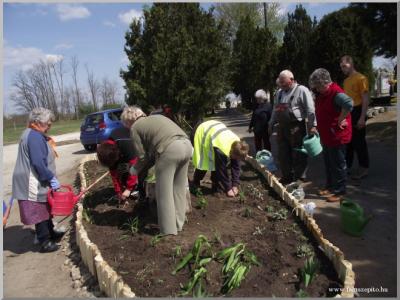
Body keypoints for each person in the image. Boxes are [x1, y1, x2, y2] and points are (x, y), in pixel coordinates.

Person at [121, 106, 193, 236]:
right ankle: (179, 224)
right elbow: (151, 154)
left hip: (169, 150)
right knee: (178, 188)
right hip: (186, 146)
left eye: (125, 124)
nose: (126, 128)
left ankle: (168, 231)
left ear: (128, 121)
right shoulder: (157, 117)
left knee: (164, 193)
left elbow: (143, 157)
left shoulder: (135, 128)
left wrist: (133, 170)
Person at [12, 107, 64, 253]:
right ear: (38, 122)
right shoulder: (34, 136)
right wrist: (50, 177)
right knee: (39, 207)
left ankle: (50, 233)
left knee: (45, 205)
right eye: (47, 123)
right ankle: (44, 241)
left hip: (34, 177)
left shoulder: (33, 133)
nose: (49, 126)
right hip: (31, 179)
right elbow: (37, 163)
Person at [309, 68, 353, 202]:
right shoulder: (322, 94)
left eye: (317, 86)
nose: (316, 88)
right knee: (328, 162)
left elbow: (349, 103)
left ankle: (340, 191)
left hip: (337, 135)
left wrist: (341, 118)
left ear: (324, 83)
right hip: (326, 135)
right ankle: (330, 187)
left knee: (338, 164)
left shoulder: (336, 93)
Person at [268, 70, 317, 185]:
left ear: (291, 79)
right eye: (280, 82)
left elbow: (310, 110)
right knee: (283, 153)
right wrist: (270, 124)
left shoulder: (302, 90)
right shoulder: (279, 92)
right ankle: (287, 176)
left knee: (298, 152)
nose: (282, 85)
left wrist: (313, 125)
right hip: (282, 127)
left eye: (284, 82)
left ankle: (300, 177)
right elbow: (275, 110)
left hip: (296, 127)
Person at [192, 120, 249, 197]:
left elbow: (236, 166)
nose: (236, 159)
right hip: (202, 132)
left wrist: (235, 185)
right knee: (204, 161)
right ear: (232, 153)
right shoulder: (221, 150)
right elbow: (221, 169)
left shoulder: (238, 145)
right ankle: (196, 182)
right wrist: (228, 188)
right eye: (236, 157)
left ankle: (215, 185)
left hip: (213, 129)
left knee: (216, 162)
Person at [340, 55, 370, 180]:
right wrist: (342, 117)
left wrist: (362, 117)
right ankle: (347, 167)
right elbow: (346, 101)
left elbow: (365, 98)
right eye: (341, 67)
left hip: (358, 111)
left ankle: (363, 168)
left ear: (351, 64)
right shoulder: (346, 81)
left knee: (359, 142)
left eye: (344, 66)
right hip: (349, 112)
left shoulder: (361, 78)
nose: (343, 69)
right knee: (349, 142)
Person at [96, 126, 141, 202]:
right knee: (121, 170)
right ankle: (126, 186)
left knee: (140, 172)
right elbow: (114, 174)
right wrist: (119, 192)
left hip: (139, 144)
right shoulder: (107, 152)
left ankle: (139, 189)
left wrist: (129, 189)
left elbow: (135, 167)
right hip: (120, 149)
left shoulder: (127, 146)